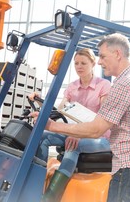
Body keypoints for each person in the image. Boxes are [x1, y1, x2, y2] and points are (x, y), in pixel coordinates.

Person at [31, 33, 130, 202]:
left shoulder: (124, 83)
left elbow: (96, 129)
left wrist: (51, 126)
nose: (100, 61)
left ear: (117, 54)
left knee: (72, 147)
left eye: (102, 56)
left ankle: (48, 197)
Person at [29, 48, 111, 202]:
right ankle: (36, 184)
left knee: (73, 145)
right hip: (76, 132)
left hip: (100, 136)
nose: (79, 66)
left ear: (93, 63)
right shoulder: (72, 87)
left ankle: (50, 198)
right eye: (76, 63)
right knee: (42, 137)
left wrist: (78, 134)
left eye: (83, 63)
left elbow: (104, 119)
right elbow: (59, 112)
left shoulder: (103, 85)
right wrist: (41, 102)